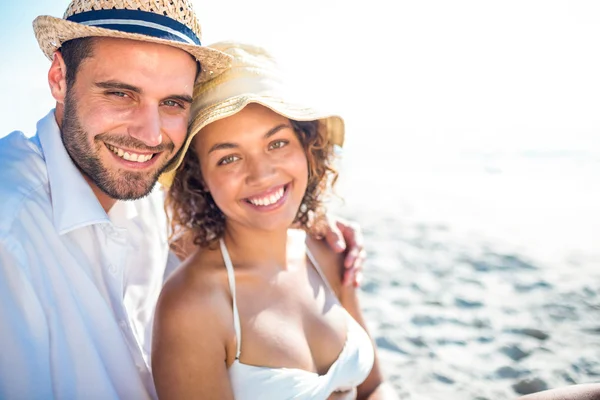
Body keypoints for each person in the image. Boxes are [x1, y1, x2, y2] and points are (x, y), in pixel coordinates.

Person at [0, 1, 365, 399]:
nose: (150, 134)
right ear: (58, 77)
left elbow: (231, 236)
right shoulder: (10, 229)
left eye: (172, 102)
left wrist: (306, 222)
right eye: (121, 93)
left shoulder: (144, 193)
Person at [152, 42, 399, 400]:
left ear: (306, 146)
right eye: (229, 158)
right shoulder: (192, 307)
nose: (261, 174)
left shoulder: (327, 251)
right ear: (199, 177)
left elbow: (375, 387)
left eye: (276, 144)